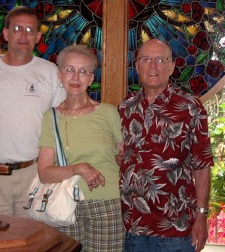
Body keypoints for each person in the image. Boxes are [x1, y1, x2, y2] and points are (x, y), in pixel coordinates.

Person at [0, 6, 66, 217]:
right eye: (18, 28)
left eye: (30, 30)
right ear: (6, 33)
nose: (23, 35)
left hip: (33, 173)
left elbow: (63, 119)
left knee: (30, 242)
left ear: (38, 36)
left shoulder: (50, 72)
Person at [118, 39, 214, 252]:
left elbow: (202, 165)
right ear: (137, 66)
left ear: (171, 67)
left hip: (176, 230)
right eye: (146, 59)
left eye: (161, 59)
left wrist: (201, 215)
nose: (153, 66)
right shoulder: (125, 108)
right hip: (132, 228)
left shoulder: (190, 107)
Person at [37, 44, 124, 251]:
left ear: (91, 79)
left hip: (107, 204)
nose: (76, 77)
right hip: (65, 206)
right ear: (60, 75)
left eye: (83, 71)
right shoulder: (51, 117)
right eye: (69, 70)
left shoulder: (109, 113)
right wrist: (79, 168)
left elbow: (125, 155)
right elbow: (44, 173)